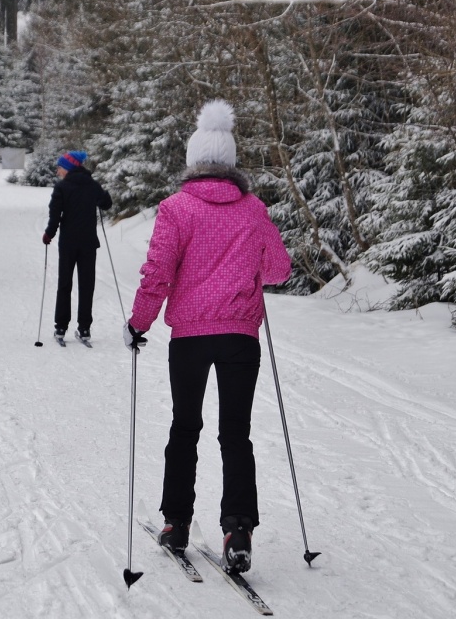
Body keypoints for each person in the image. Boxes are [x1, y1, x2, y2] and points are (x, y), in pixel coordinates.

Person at [124, 100, 291, 574]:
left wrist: (139, 323)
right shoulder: (254, 209)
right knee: (235, 433)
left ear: (194, 160)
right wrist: (249, 268)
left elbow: (158, 272)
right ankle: (238, 529)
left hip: (191, 338)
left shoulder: (176, 208)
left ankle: (177, 523)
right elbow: (279, 269)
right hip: (240, 337)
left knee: (185, 427)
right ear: (231, 163)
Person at [42, 150, 113, 343]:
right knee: (87, 285)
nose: (58, 171)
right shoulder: (92, 185)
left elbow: (55, 215)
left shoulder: (62, 187)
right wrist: (103, 195)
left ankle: (60, 327)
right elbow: (106, 204)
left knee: (65, 284)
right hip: (89, 243)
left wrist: (49, 235)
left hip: (68, 244)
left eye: (60, 168)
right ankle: (84, 329)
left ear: (68, 168)